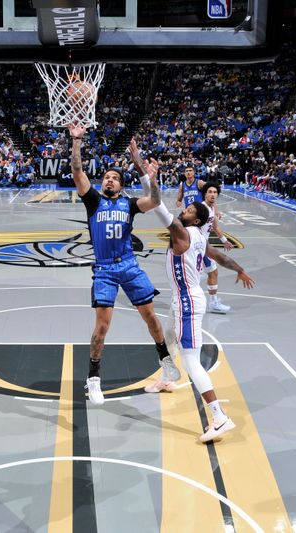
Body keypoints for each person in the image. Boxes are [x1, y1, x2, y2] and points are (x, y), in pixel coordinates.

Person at [69, 126, 176, 405]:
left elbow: (155, 201)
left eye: (115, 178)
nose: (110, 180)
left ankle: (165, 360)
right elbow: (78, 172)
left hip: (129, 265)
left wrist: (151, 178)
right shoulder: (93, 202)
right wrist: (77, 140)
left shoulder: (129, 204)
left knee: (150, 318)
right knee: (102, 327)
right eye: (106, 177)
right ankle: (93, 379)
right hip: (104, 269)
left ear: (121, 185)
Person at [148, 199, 255, 442]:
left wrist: (148, 177)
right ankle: (166, 379)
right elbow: (218, 255)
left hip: (188, 302)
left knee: (191, 362)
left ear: (195, 219)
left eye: (189, 210)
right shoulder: (198, 235)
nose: (183, 211)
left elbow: (157, 206)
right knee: (168, 338)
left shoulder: (183, 232)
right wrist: (239, 268)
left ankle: (219, 417)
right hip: (182, 299)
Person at [200, 182, 234, 314]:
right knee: (201, 275)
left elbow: (215, 227)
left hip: (204, 246)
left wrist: (225, 241)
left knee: (212, 272)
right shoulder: (201, 209)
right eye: (210, 192)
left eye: (215, 192)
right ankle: (211, 302)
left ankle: (213, 302)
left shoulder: (213, 208)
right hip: (197, 247)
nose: (213, 194)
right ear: (205, 194)